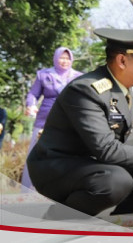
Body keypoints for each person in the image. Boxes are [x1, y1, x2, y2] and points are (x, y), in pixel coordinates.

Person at [27, 28, 133, 216]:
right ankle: (59, 220)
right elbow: (106, 149)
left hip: (92, 162)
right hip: (58, 167)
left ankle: (123, 226)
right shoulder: (86, 91)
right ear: (122, 60)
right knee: (117, 181)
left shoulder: (132, 89)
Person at [22, 47, 83, 190]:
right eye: (62, 57)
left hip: (69, 122)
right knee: (36, 153)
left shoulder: (79, 77)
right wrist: (31, 105)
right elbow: (32, 94)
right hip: (44, 120)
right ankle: (29, 189)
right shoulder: (43, 75)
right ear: (55, 58)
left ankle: (60, 190)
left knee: (66, 155)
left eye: (68, 58)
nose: (65, 61)